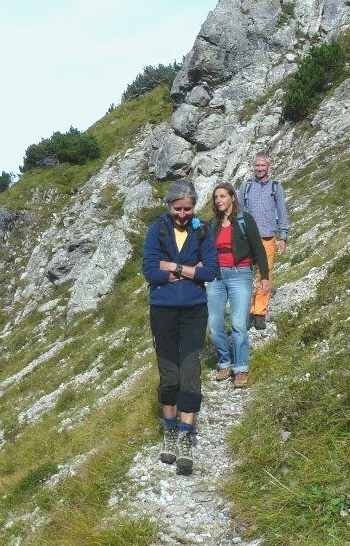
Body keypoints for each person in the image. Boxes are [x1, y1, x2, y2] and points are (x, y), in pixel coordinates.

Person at [142, 178, 218, 476]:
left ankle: (186, 436)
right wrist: (190, 272)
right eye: (178, 209)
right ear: (169, 206)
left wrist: (171, 267)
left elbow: (210, 271)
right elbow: (149, 270)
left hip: (193, 311)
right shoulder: (156, 230)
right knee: (169, 375)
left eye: (187, 209)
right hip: (163, 311)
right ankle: (169, 430)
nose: (183, 214)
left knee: (190, 373)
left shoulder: (202, 230)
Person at [206, 182, 271, 388]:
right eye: (216, 198)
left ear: (233, 198)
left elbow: (258, 249)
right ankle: (225, 362)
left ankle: (241, 368)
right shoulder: (212, 225)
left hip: (240, 274)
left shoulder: (245, 220)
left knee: (237, 324)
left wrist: (265, 276)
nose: (219, 201)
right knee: (215, 324)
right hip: (216, 277)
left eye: (223, 196)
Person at [238, 152, 290, 330]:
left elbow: (282, 211)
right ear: (253, 166)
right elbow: (239, 213)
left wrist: (283, 237)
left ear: (269, 167)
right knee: (245, 275)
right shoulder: (246, 186)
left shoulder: (276, 187)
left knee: (265, 274)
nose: (260, 169)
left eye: (263, 166)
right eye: (257, 166)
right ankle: (245, 312)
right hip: (247, 239)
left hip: (268, 237)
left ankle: (259, 312)